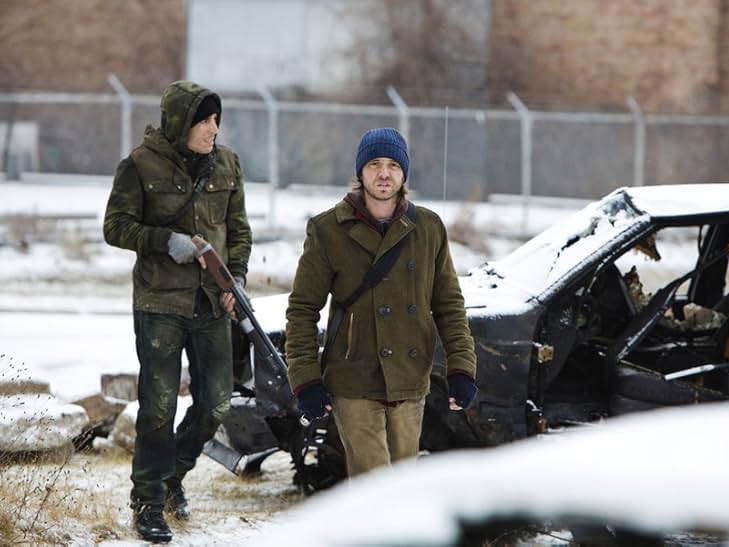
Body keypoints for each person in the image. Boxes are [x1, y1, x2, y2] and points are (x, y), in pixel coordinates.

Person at [103, 80, 251, 543]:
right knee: (159, 406)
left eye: (215, 119)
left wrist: (238, 279)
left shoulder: (226, 164)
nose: (213, 128)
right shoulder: (139, 165)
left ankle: (172, 477)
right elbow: (115, 226)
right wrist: (166, 242)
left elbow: (239, 229)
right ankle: (148, 500)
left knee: (216, 403)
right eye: (204, 120)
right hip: (160, 302)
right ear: (180, 123)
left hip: (211, 302)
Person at [285, 127, 477, 479]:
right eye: (374, 164)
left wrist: (462, 367)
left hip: (410, 377)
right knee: (374, 485)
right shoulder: (328, 230)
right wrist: (305, 379)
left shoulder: (429, 228)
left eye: (392, 165)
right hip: (353, 378)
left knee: (401, 485)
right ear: (360, 172)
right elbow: (302, 310)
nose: (384, 173)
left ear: (404, 173)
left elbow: (449, 304)